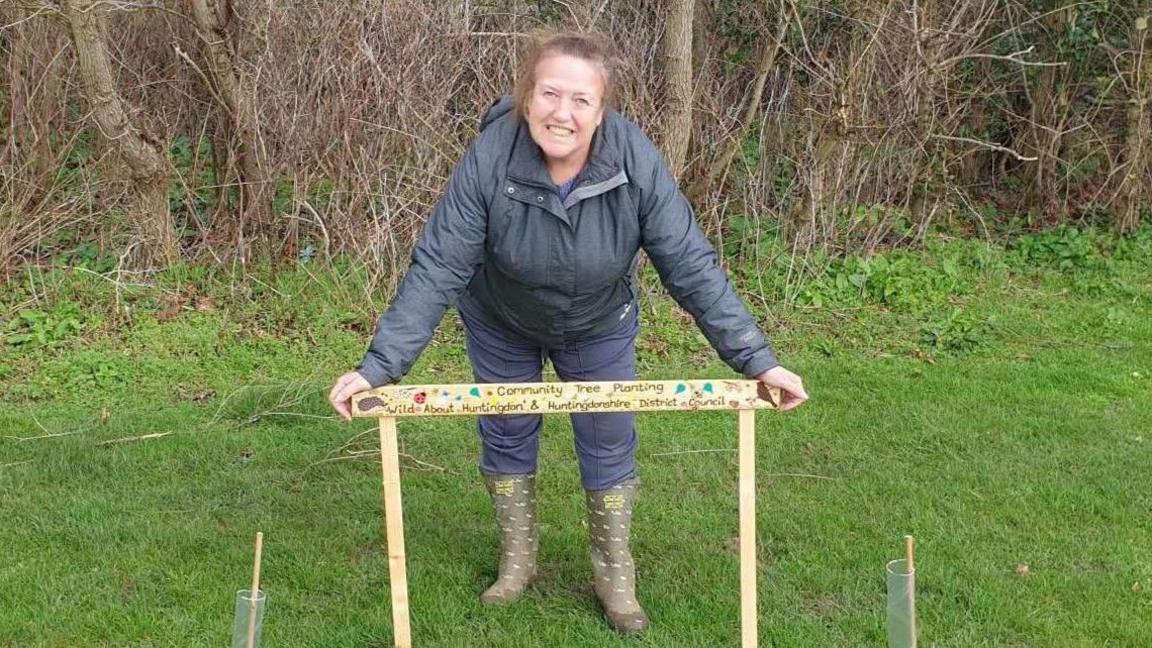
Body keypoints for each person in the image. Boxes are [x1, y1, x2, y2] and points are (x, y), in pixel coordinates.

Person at [329, 31, 808, 635]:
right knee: (505, 433)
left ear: (601, 109)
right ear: (527, 96)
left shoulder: (634, 160)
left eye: (581, 99)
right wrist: (379, 368)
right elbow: (440, 264)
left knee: (608, 441)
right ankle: (517, 561)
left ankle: (614, 574)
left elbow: (689, 264)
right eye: (550, 93)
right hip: (502, 321)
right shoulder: (490, 155)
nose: (563, 112)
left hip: (598, 325)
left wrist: (756, 360)